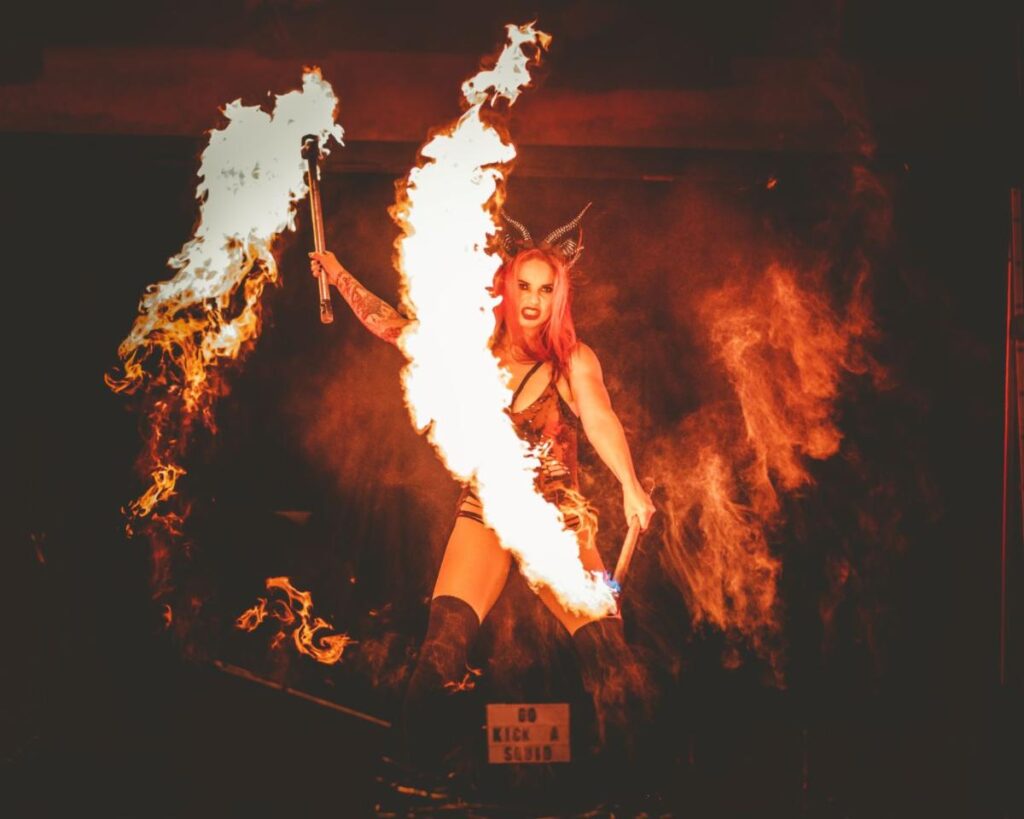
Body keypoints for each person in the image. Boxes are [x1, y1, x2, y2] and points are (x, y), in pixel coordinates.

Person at [310, 206, 655, 765]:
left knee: (607, 657)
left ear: (558, 297)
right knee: (441, 648)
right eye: (524, 284)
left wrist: (630, 486)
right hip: (486, 512)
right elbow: (394, 325)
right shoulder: (473, 351)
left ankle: (636, 786)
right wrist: (337, 271)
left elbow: (599, 419)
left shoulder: (572, 361)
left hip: (557, 518)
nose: (534, 299)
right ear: (507, 284)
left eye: (546, 289)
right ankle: (411, 775)